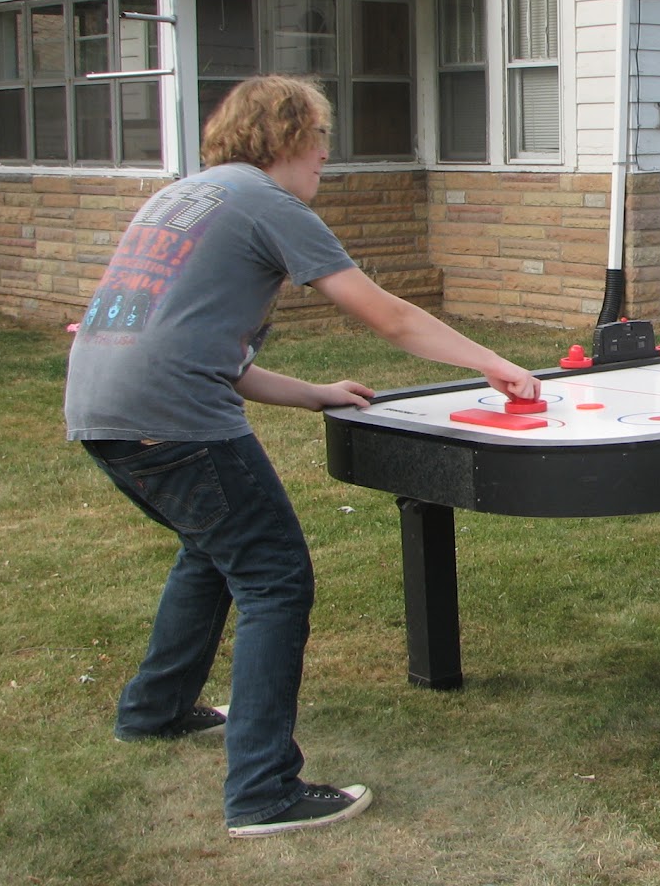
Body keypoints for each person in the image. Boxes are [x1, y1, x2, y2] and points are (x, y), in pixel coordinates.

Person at [64, 74, 539, 838]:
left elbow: (206, 351)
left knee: (212, 550)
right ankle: (262, 791)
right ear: (284, 137)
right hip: (173, 418)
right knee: (274, 578)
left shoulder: (188, 198)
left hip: (102, 410)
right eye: (319, 138)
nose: (325, 155)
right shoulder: (266, 203)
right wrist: (494, 363)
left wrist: (314, 393)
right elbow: (386, 314)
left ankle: (155, 711)